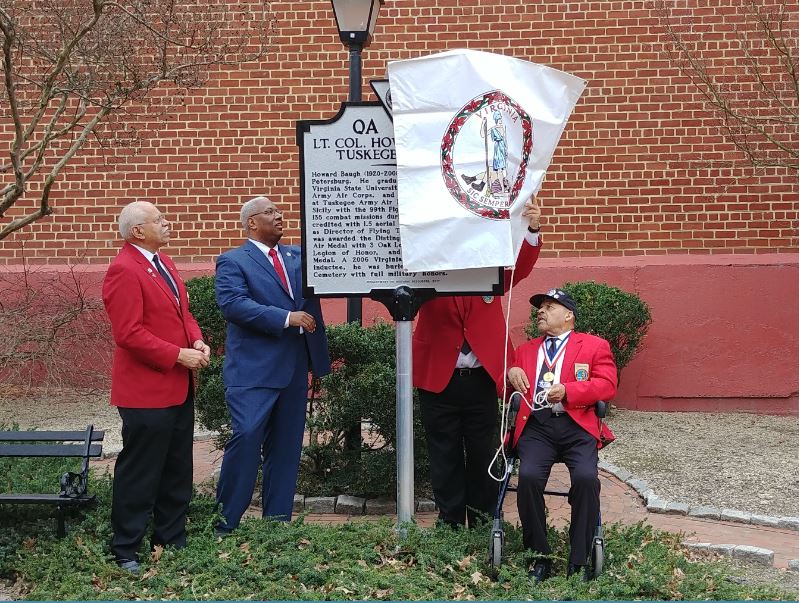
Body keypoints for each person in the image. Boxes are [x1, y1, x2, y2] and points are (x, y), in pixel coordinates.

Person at [412, 198, 543, 528]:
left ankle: (485, 522)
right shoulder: (426, 266)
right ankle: (451, 524)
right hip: (438, 376)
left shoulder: (489, 267)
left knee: (485, 453)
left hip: (484, 377)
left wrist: (531, 229)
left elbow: (521, 267)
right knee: (444, 456)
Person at [102, 201, 211, 575]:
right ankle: (126, 549)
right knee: (141, 470)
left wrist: (195, 341)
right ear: (137, 231)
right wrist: (177, 355)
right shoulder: (123, 270)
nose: (167, 224)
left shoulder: (163, 263)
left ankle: (170, 538)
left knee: (177, 466)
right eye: (159, 220)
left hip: (178, 386)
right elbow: (128, 333)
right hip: (145, 392)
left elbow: (185, 313)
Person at [214, 195, 331, 533]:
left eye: (279, 211)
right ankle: (224, 524)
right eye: (270, 212)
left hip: (294, 370)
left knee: (285, 451)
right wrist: (286, 318)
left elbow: (324, 283)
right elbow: (234, 305)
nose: (279, 216)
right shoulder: (233, 261)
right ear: (251, 222)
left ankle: (276, 527)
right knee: (247, 438)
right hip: (253, 373)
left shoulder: (297, 256)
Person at [507, 288, 617, 582]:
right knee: (528, 478)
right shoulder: (526, 350)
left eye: (548, 306)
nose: (540, 312)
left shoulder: (594, 346)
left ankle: (578, 559)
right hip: (538, 427)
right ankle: (539, 556)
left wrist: (571, 390)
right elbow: (509, 393)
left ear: (568, 315)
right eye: (539, 307)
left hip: (576, 426)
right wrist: (510, 374)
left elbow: (607, 385)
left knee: (585, 479)